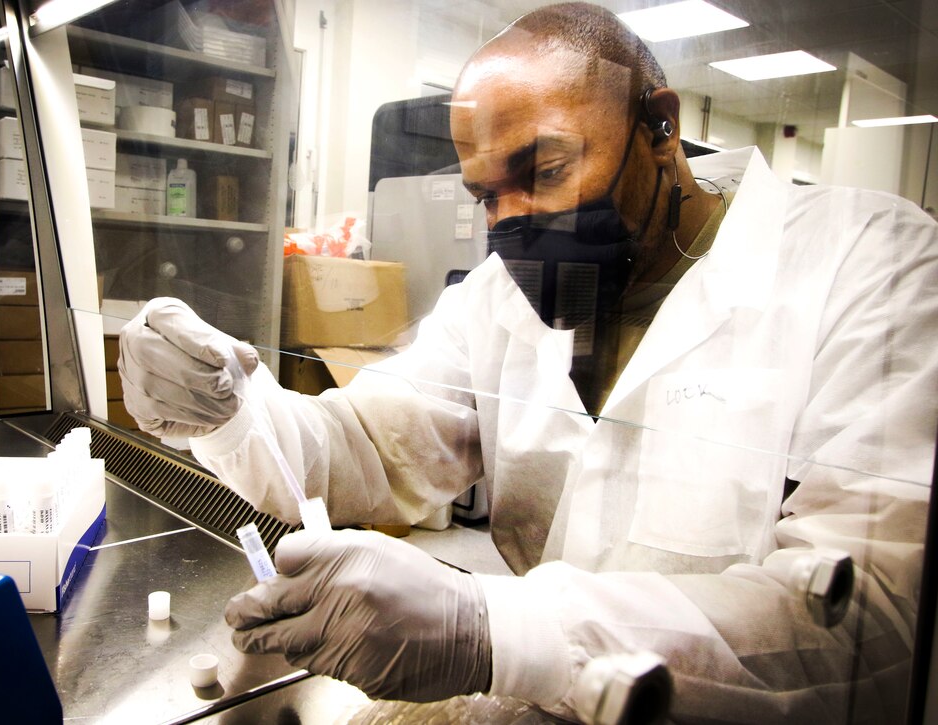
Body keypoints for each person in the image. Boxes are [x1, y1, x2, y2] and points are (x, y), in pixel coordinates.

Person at [118, 3, 938, 721]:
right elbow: (364, 445)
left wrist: (494, 629)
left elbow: (871, 625)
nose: (510, 226)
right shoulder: (501, 297)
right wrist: (230, 409)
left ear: (659, 124)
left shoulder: (870, 265)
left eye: (543, 171)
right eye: (486, 196)